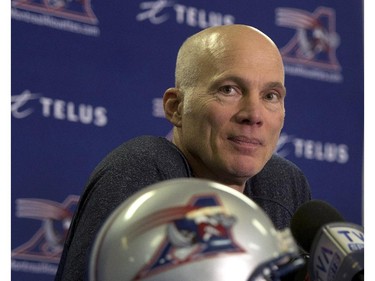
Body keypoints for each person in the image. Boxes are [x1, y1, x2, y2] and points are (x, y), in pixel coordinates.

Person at [55, 24, 311, 281]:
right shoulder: (142, 172)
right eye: (228, 90)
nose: (254, 115)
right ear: (176, 107)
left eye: (271, 95)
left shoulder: (284, 183)